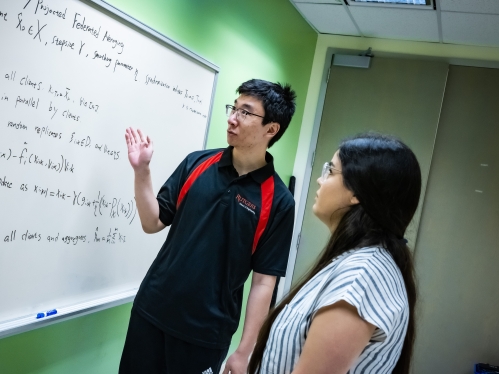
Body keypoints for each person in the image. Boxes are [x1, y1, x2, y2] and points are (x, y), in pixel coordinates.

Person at [119, 79, 297, 374]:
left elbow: (264, 282)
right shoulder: (197, 163)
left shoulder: (278, 201)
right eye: (234, 108)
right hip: (151, 311)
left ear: (271, 129)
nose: (232, 118)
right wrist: (142, 172)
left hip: (205, 335)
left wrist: (245, 350)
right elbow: (152, 222)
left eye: (245, 112)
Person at [248, 133, 420, 374]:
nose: (320, 180)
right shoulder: (357, 263)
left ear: (357, 192)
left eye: (330, 170)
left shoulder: (361, 277)